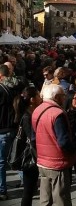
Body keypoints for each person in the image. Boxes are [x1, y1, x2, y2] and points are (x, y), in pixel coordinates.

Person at [31, 84, 76, 206]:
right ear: (56, 97)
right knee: (61, 200)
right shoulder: (57, 113)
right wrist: (74, 152)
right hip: (57, 163)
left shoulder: (37, 110)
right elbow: (64, 141)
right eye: (63, 95)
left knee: (45, 200)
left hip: (43, 162)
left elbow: (33, 138)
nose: (64, 98)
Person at [18, 86, 42, 206]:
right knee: (28, 191)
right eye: (38, 95)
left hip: (33, 156)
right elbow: (32, 139)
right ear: (32, 99)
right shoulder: (27, 116)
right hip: (30, 158)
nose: (40, 97)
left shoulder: (32, 113)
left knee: (31, 190)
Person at [0, 64, 17, 201]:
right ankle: (28, 181)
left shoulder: (1, 89)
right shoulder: (15, 87)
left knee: (1, 162)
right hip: (13, 127)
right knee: (16, 156)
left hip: (2, 130)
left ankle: (2, 190)